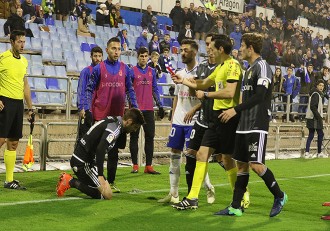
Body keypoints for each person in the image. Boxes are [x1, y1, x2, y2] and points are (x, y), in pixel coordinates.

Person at [171, 34, 248, 210]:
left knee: (227, 160)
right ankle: (192, 198)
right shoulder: (220, 67)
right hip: (214, 118)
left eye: (212, 48)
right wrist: (183, 80)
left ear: (221, 49)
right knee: (201, 154)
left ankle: (242, 194)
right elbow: (205, 82)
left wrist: (206, 95)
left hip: (228, 117)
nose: (209, 51)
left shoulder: (233, 66)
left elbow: (229, 93)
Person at [215, 33, 287, 217]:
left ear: (250, 48)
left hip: (257, 123)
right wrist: (237, 114)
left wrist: (235, 110)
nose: (239, 49)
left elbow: (260, 95)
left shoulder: (262, 67)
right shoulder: (248, 70)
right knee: (242, 166)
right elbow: (244, 97)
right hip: (243, 124)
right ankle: (235, 206)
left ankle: (279, 196)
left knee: (256, 165)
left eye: (242, 45)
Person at [85, 37, 138, 193]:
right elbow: (89, 90)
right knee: (95, 150)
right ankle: (95, 180)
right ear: (107, 50)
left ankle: (112, 182)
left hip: (117, 118)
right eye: (113, 48)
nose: (116, 51)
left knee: (114, 151)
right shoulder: (98, 69)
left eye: (118, 49)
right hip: (100, 116)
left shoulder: (125, 69)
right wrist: (86, 109)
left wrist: (134, 107)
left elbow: (130, 90)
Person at [56, 108, 145, 199]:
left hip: (86, 160)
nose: (134, 130)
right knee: (107, 195)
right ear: (129, 121)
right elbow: (100, 149)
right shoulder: (115, 128)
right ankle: (71, 181)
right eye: (135, 127)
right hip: (82, 163)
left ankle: (79, 181)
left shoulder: (115, 121)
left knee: (106, 191)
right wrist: (100, 175)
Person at [158, 39, 200, 204]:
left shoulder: (201, 72)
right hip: (179, 121)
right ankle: (173, 194)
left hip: (193, 121)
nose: (182, 53)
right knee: (174, 155)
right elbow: (177, 97)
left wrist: (188, 82)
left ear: (194, 52)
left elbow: (200, 96)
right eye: (181, 50)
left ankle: (198, 190)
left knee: (192, 157)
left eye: (186, 50)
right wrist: (173, 116)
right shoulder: (180, 72)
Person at [0, 30, 34, 190]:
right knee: (0, 140)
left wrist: (30, 107)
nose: (22, 45)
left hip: (18, 104)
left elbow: (25, 85)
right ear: (12, 42)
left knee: (13, 143)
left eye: (24, 42)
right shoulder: (3, 58)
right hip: (4, 103)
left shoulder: (24, 61)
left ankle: (9, 180)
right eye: (19, 41)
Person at [129, 47, 164, 174]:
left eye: (145, 56)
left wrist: (160, 105)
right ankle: (135, 165)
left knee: (150, 137)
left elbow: (155, 89)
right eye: (141, 56)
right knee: (134, 137)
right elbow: (128, 90)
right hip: (135, 110)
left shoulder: (152, 71)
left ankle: (148, 166)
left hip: (149, 109)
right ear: (137, 57)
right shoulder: (131, 71)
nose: (143, 58)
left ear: (148, 57)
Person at [76, 46, 103, 143]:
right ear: (91, 57)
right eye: (95, 56)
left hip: (100, 110)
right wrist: (81, 107)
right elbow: (81, 90)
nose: (97, 58)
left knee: (97, 139)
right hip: (88, 109)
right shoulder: (86, 71)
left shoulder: (104, 72)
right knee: (84, 138)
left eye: (99, 56)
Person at [305, 80, 326, 159]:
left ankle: (307, 152)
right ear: (317, 86)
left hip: (312, 117)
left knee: (311, 134)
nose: (321, 87)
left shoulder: (315, 93)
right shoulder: (316, 94)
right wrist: (319, 117)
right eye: (320, 85)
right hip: (314, 118)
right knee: (320, 134)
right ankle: (319, 152)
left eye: (322, 86)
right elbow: (313, 107)